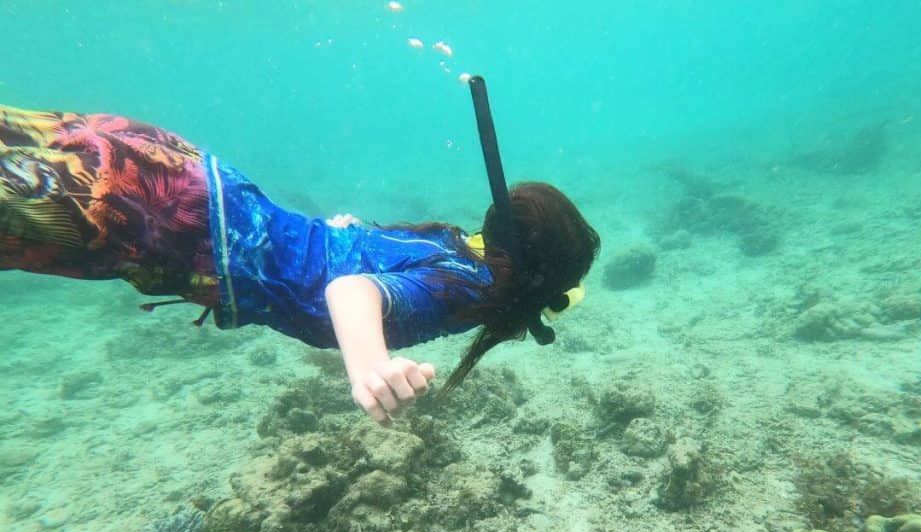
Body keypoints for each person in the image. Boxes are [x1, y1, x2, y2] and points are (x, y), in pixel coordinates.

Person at [0, 102, 600, 424]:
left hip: (173, 170)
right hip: (159, 218)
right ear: (537, 281)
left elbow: (345, 247)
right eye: (564, 294)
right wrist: (368, 368)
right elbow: (349, 289)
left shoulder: (452, 246)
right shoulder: (463, 292)